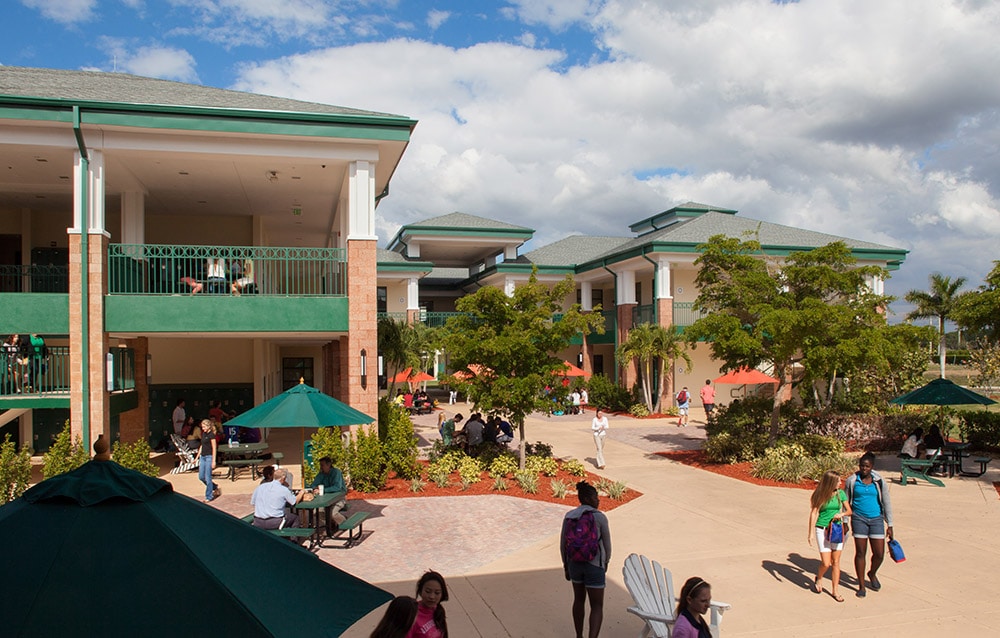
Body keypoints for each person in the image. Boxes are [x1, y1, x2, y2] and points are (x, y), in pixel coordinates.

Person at [560, 481, 611, 638]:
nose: (598, 500)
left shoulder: (569, 517)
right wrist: (605, 563)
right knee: (596, 605)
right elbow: (607, 546)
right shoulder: (600, 518)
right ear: (589, 498)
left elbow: (563, 545)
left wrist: (566, 566)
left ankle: (579, 636)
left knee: (578, 600)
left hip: (575, 565)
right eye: (596, 497)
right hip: (594, 565)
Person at [845, 452, 894, 598]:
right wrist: (845, 521)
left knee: (879, 554)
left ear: (872, 466)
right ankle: (861, 585)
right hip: (859, 519)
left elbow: (886, 502)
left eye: (867, 466)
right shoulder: (852, 481)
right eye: (861, 465)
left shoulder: (879, 481)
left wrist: (890, 524)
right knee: (861, 552)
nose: (864, 468)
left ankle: (872, 573)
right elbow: (845, 501)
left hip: (876, 519)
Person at [808, 470, 852, 602]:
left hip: (836, 530)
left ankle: (835, 591)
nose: (840, 483)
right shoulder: (820, 494)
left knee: (836, 562)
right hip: (822, 529)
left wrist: (842, 515)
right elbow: (814, 512)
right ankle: (819, 577)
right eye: (838, 480)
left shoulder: (841, 494)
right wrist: (810, 533)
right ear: (831, 482)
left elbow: (849, 511)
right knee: (826, 563)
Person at [408, 570, 449, 638]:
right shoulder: (411, 615)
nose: (432, 597)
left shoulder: (439, 610)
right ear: (420, 591)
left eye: (437, 593)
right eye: (428, 591)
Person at [309, 456, 347, 524]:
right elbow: (313, 484)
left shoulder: (336, 472)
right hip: (325, 499)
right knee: (316, 512)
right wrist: (315, 488)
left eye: (322, 465)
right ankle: (330, 524)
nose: (321, 467)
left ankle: (345, 523)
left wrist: (323, 490)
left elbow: (337, 487)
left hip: (338, 498)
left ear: (328, 464)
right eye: (320, 465)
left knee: (333, 514)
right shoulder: (321, 474)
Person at [196, 419, 221, 503]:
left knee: (208, 477)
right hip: (203, 457)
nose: (203, 428)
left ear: (208, 426)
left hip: (209, 457)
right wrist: (197, 457)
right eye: (202, 427)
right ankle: (215, 487)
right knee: (201, 477)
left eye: (204, 427)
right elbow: (202, 446)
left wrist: (213, 461)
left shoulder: (211, 435)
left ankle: (209, 496)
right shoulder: (203, 434)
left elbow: (214, 448)